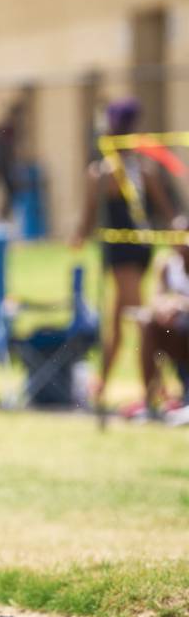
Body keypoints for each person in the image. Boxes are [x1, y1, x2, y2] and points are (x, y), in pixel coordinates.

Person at [72, 98, 179, 403]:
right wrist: (78, 236)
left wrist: (177, 232)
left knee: (131, 319)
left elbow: (165, 209)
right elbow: (89, 217)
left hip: (137, 251)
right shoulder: (103, 172)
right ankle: (117, 381)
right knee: (130, 318)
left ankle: (145, 385)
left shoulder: (141, 170)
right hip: (120, 253)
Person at [136, 241, 189, 418]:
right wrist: (165, 308)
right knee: (147, 325)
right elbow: (156, 298)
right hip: (175, 335)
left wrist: (181, 305)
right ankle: (150, 400)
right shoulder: (167, 265)